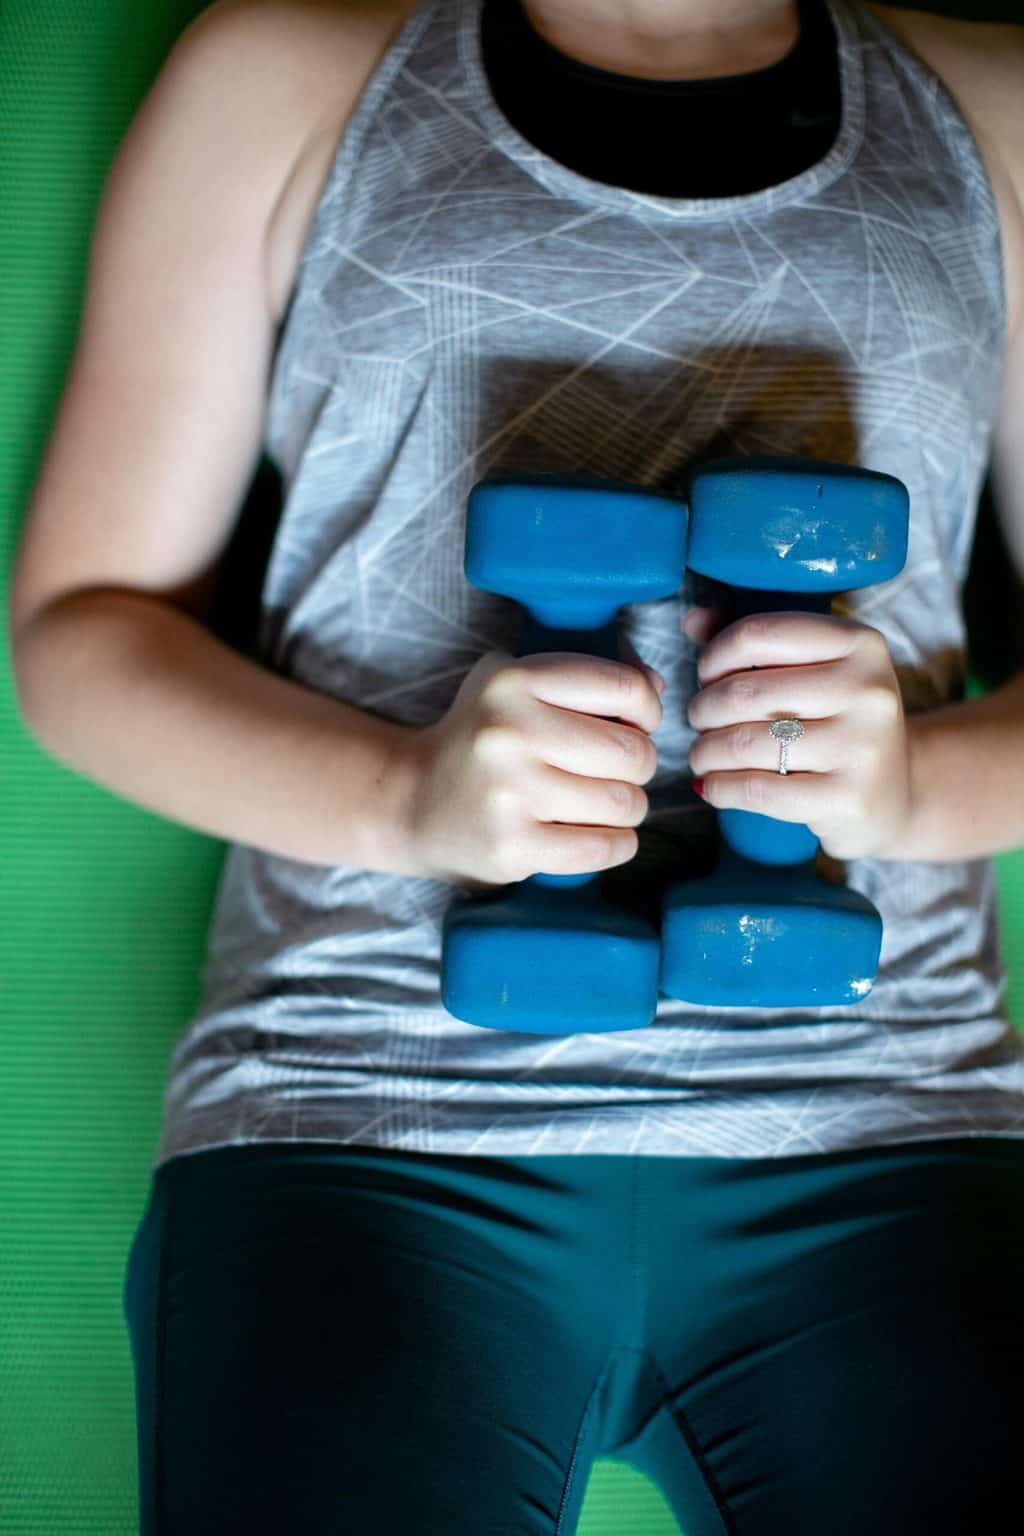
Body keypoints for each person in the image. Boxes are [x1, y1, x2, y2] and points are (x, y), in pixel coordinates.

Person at [9, 0, 1024, 1529]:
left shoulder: (1000, 107)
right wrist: (405, 799)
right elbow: (80, 642)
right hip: (363, 1109)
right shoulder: (279, 77)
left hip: (885, 1121)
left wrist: (907, 791)